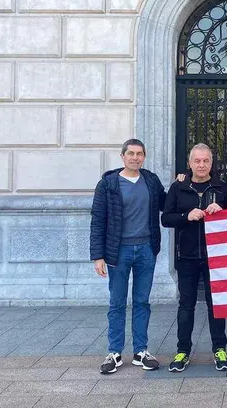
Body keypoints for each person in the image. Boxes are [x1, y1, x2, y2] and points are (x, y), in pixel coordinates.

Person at [90, 138, 167, 374]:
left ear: (144, 157)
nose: (135, 157)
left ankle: (141, 352)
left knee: (142, 302)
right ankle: (114, 353)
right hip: (118, 251)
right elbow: (98, 220)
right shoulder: (108, 184)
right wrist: (98, 256)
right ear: (122, 156)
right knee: (117, 302)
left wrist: (181, 184)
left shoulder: (151, 181)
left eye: (140, 153)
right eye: (131, 153)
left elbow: (168, 204)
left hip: (146, 249)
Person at [162, 143, 227, 372]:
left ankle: (220, 349)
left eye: (205, 161)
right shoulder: (178, 187)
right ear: (190, 163)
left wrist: (223, 212)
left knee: (217, 305)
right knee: (186, 305)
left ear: (211, 163)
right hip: (187, 256)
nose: (201, 165)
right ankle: (183, 350)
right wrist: (186, 216)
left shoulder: (222, 187)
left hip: (215, 256)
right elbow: (166, 218)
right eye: (197, 161)